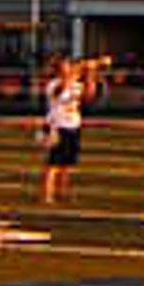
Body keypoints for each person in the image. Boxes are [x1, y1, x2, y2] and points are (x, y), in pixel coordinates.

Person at [37, 54, 104, 207]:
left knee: (67, 164)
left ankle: (63, 192)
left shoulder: (76, 84)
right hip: (57, 126)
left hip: (73, 125)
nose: (69, 67)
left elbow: (89, 95)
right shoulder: (53, 84)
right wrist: (80, 69)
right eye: (66, 65)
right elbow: (59, 92)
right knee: (53, 163)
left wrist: (90, 74)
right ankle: (47, 194)